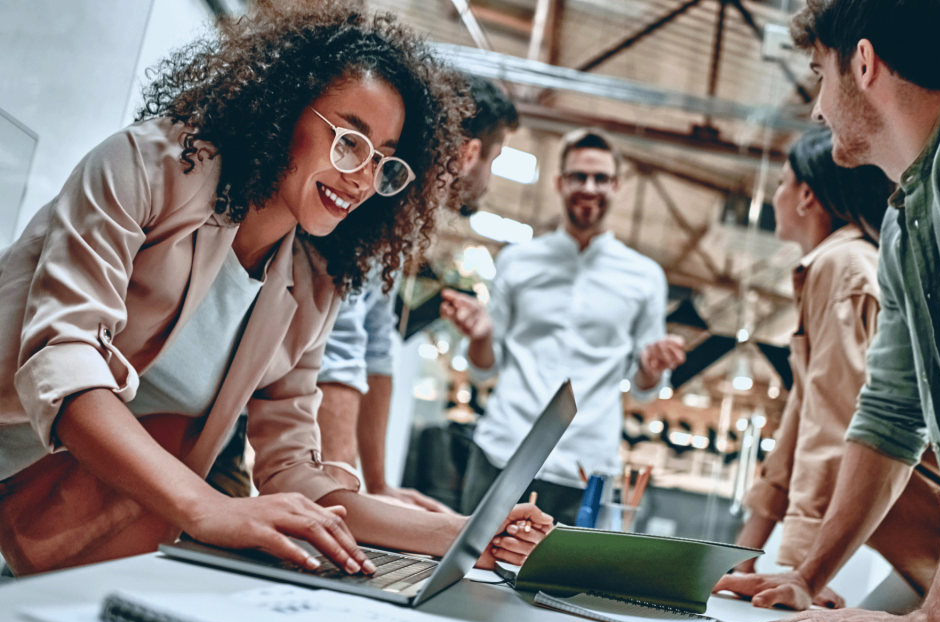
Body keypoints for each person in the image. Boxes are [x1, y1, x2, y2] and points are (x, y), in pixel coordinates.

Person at [0, 3, 551, 578]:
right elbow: (63, 361)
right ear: (285, 108)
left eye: (385, 161)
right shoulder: (144, 169)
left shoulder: (313, 284)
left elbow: (292, 469)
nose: (362, 177)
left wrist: (467, 533)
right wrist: (208, 508)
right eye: (350, 141)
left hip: (52, 527)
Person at [729, 0, 940, 622]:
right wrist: (808, 572)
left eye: (817, 77)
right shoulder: (903, 220)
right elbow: (890, 412)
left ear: (862, 64)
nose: (815, 110)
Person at [714, 127, 940, 610]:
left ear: (807, 195)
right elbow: (797, 427)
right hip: (920, 541)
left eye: (782, 182)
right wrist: (742, 555)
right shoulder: (833, 266)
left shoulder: (842, 267)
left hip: (938, 533)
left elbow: (835, 422)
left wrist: (801, 571)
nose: (776, 195)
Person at [441, 128, 686, 526]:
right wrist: (482, 336)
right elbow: (484, 367)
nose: (589, 187)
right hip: (504, 451)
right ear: (559, 183)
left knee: (560, 586)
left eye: (601, 178)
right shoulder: (518, 261)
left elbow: (645, 390)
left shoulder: (646, 277)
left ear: (617, 186)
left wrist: (651, 367)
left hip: (586, 467)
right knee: (469, 573)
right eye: (578, 176)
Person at [313, 75, 519, 513]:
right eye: (495, 159)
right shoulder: (380, 199)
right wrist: (346, 496)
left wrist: (378, 484)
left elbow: (376, 344)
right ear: (469, 154)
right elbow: (342, 343)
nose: (488, 178)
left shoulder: (405, 221)